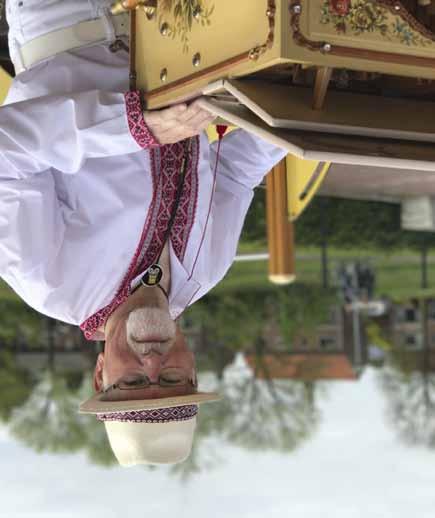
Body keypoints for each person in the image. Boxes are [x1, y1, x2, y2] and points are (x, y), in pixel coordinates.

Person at [1, 0, 288, 466]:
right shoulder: (207, 273)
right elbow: (236, 171)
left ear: (101, 376)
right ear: (193, 371)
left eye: (133, 383)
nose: (153, 364)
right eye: (173, 380)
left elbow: (5, 153)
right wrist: (318, 114)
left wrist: (134, 128)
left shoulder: (49, 282)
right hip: (183, 24)